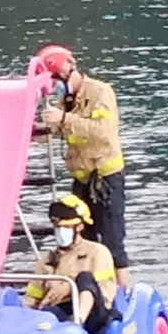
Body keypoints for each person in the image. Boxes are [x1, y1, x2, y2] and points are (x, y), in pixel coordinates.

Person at [36, 44, 130, 290]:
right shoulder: (65, 101)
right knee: (81, 239)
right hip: (81, 181)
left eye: (56, 79)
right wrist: (31, 131)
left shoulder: (100, 92)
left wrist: (65, 119)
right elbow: (53, 132)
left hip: (106, 179)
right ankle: (88, 290)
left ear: (69, 70)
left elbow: (103, 132)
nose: (55, 86)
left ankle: (123, 292)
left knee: (112, 241)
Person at [23, 194, 118, 334]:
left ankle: (77, 323)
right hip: (60, 311)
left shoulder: (97, 252)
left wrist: (69, 288)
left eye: (66, 227)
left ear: (79, 227)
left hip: (94, 313)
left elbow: (105, 292)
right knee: (47, 315)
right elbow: (31, 298)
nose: (61, 232)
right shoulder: (47, 260)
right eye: (58, 227)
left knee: (85, 278)